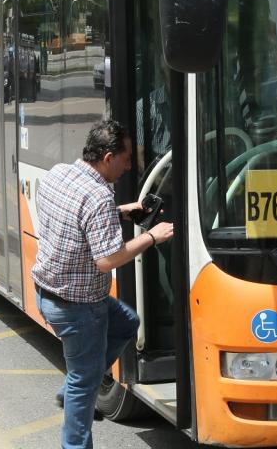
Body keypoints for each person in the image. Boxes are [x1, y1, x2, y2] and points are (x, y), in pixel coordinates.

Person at [31, 119, 174, 449]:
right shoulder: (96, 197)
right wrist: (153, 236)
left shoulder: (60, 174)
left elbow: (80, 214)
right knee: (84, 382)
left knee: (127, 323)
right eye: (125, 158)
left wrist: (124, 211)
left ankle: (75, 386)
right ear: (108, 158)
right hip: (78, 308)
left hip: (48, 293)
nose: (129, 166)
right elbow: (107, 259)